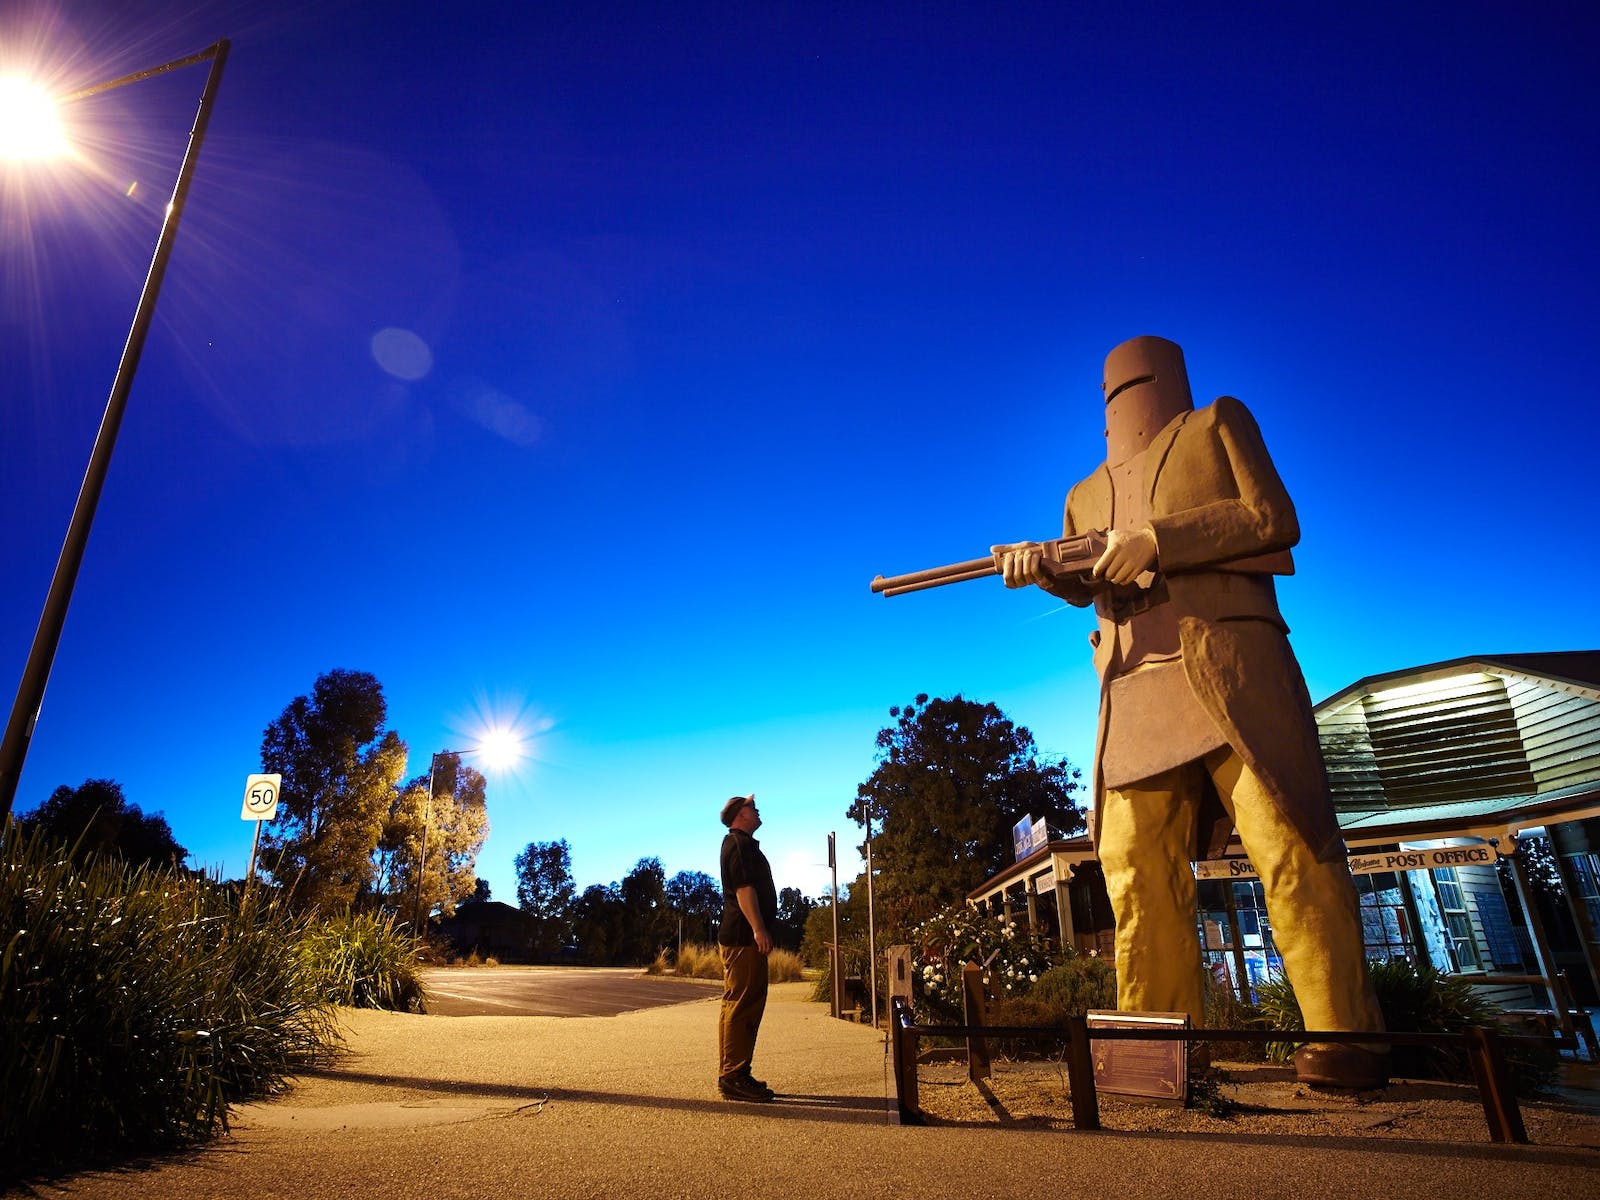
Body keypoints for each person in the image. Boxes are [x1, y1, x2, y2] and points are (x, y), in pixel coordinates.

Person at [993, 335, 1387, 1089]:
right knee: (1133, 874)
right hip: (1133, 693)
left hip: (1233, 677)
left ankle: (1348, 1042)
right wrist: (1043, 569)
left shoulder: (1218, 425)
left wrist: (1157, 540)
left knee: (1292, 850)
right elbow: (1086, 577)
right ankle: (1152, 1047)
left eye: (1130, 383)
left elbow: (1272, 518)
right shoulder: (1082, 493)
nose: (1121, 398)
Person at [716, 793, 779, 1102]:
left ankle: (735, 1072)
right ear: (740, 815)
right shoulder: (738, 845)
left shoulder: (741, 844)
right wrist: (758, 929)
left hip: (742, 938)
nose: (757, 811)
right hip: (743, 939)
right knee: (743, 1004)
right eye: (753, 807)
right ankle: (733, 1075)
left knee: (739, 1003)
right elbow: (744, 890)